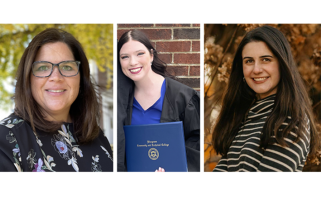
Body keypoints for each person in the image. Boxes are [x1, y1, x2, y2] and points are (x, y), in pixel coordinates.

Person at [0, 28, 113, 172]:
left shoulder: (97, 137)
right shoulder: (3, 140)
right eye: (43, 67)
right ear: (28, 79)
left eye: (67, 67)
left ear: (81, 79)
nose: (56, 77)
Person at [211, 25, 319, 172]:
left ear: (282, 64)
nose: (256, 69)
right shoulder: (248, 117)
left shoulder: (291, 121)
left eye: (266, 59)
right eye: (249, 61)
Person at [117, 30, 200, 172]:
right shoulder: (121, 100)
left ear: (151, 55)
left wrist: (174, 170)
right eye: (125, 57)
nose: (132, 62)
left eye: (139, 54)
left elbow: (196, 143)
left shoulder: (183, 97)